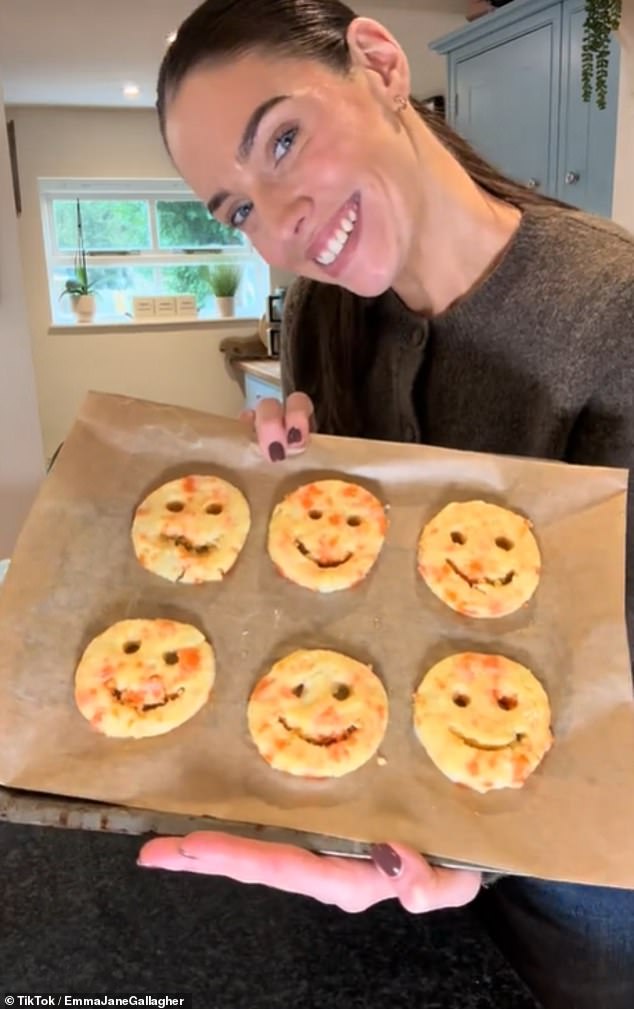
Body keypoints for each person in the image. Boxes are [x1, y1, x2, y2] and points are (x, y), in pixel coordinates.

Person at [138, 2, 634, 1007]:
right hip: (372, 835)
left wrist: (478, 858)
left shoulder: (613, 316)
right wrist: (284, 488)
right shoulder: (324, 314)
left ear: (377, 63)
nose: (280, 226)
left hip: (580, 885)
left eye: (282, 140)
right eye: (236, 209)